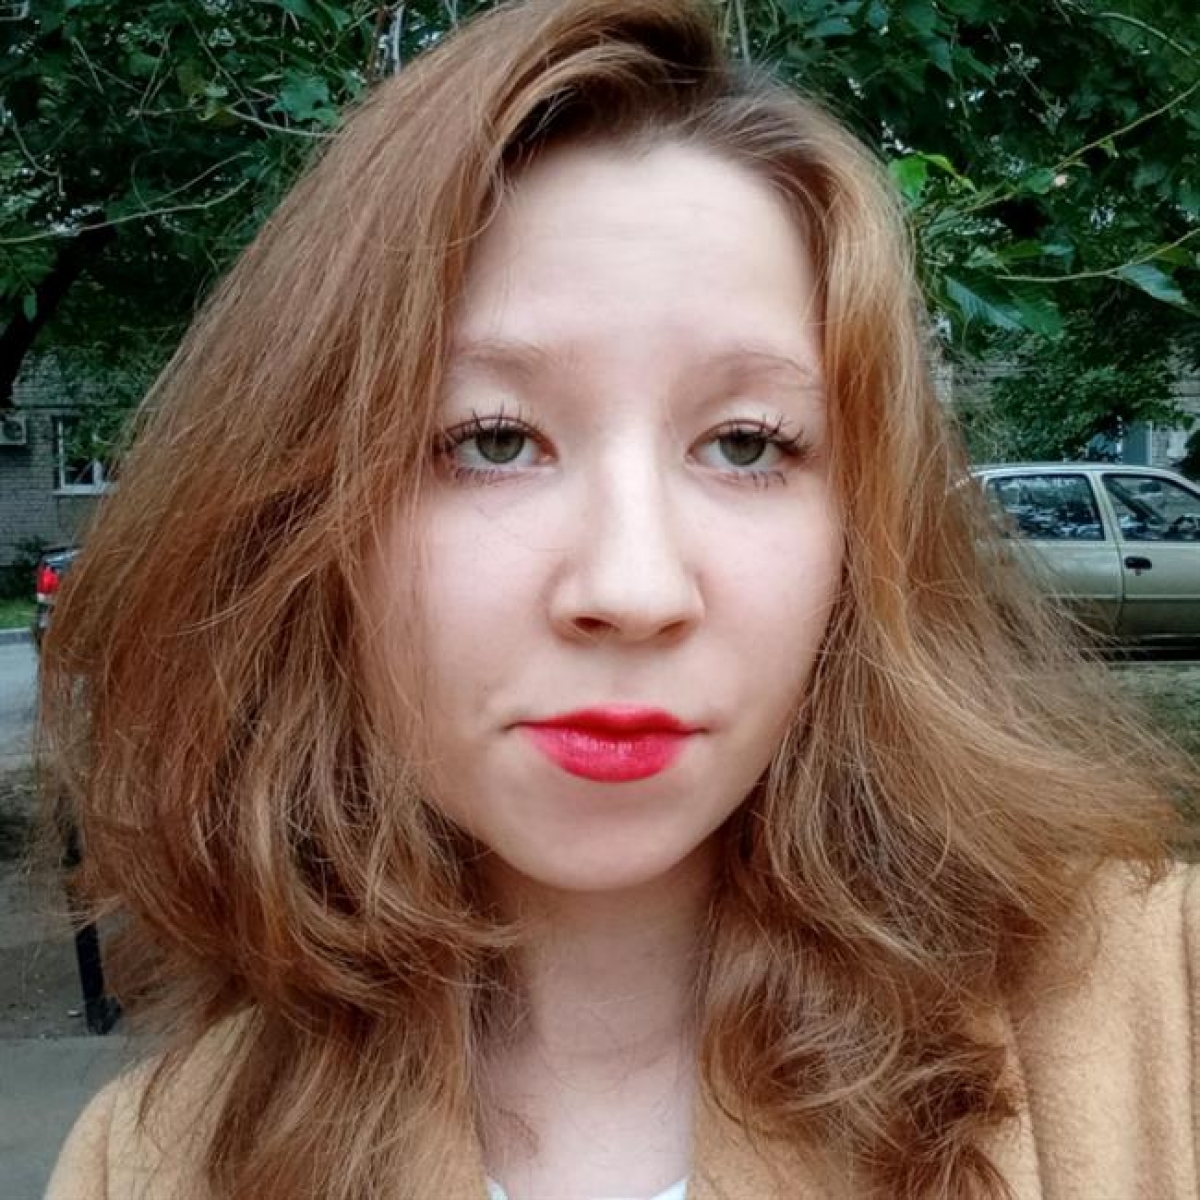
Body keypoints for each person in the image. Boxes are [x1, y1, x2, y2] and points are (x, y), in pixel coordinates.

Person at [40, 1, 1198, 1197]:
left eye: (747, 444)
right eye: (493, 439)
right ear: (305, 511)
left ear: (864, 533)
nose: (633, 588)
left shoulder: (1164, 1010)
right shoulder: (152, 1163)